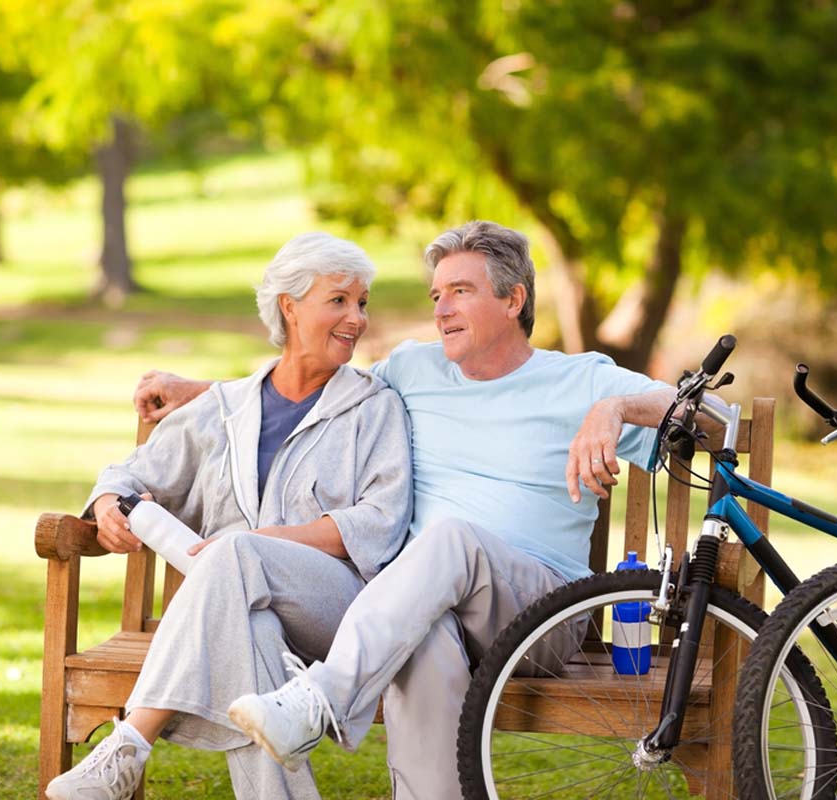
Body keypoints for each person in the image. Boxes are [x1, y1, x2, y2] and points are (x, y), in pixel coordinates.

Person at [135, 221, 681, 799]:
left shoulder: (580, 379)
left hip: (537, 616)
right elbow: (314, 380)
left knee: (450, 540)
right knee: (422, 633)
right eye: (437, 295)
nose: (442, 308)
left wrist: (615, 408)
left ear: (514, 298)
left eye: (461, 291)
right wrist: (198, 389)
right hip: (427, 606)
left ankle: (322, 699)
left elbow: (709, 411)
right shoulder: (415, 370)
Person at [45, 232, 413, 800]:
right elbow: (128, 474)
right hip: (237, 614)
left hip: (339, 614)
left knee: (239, 549)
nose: (357, 318)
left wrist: (265, 544)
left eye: (361, 302)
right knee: (250, 636)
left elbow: (379, 523)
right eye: (338, 300)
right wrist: (104, 507)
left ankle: (129, 745)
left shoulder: (374, 406)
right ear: (289, 306)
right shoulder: (224, 410)